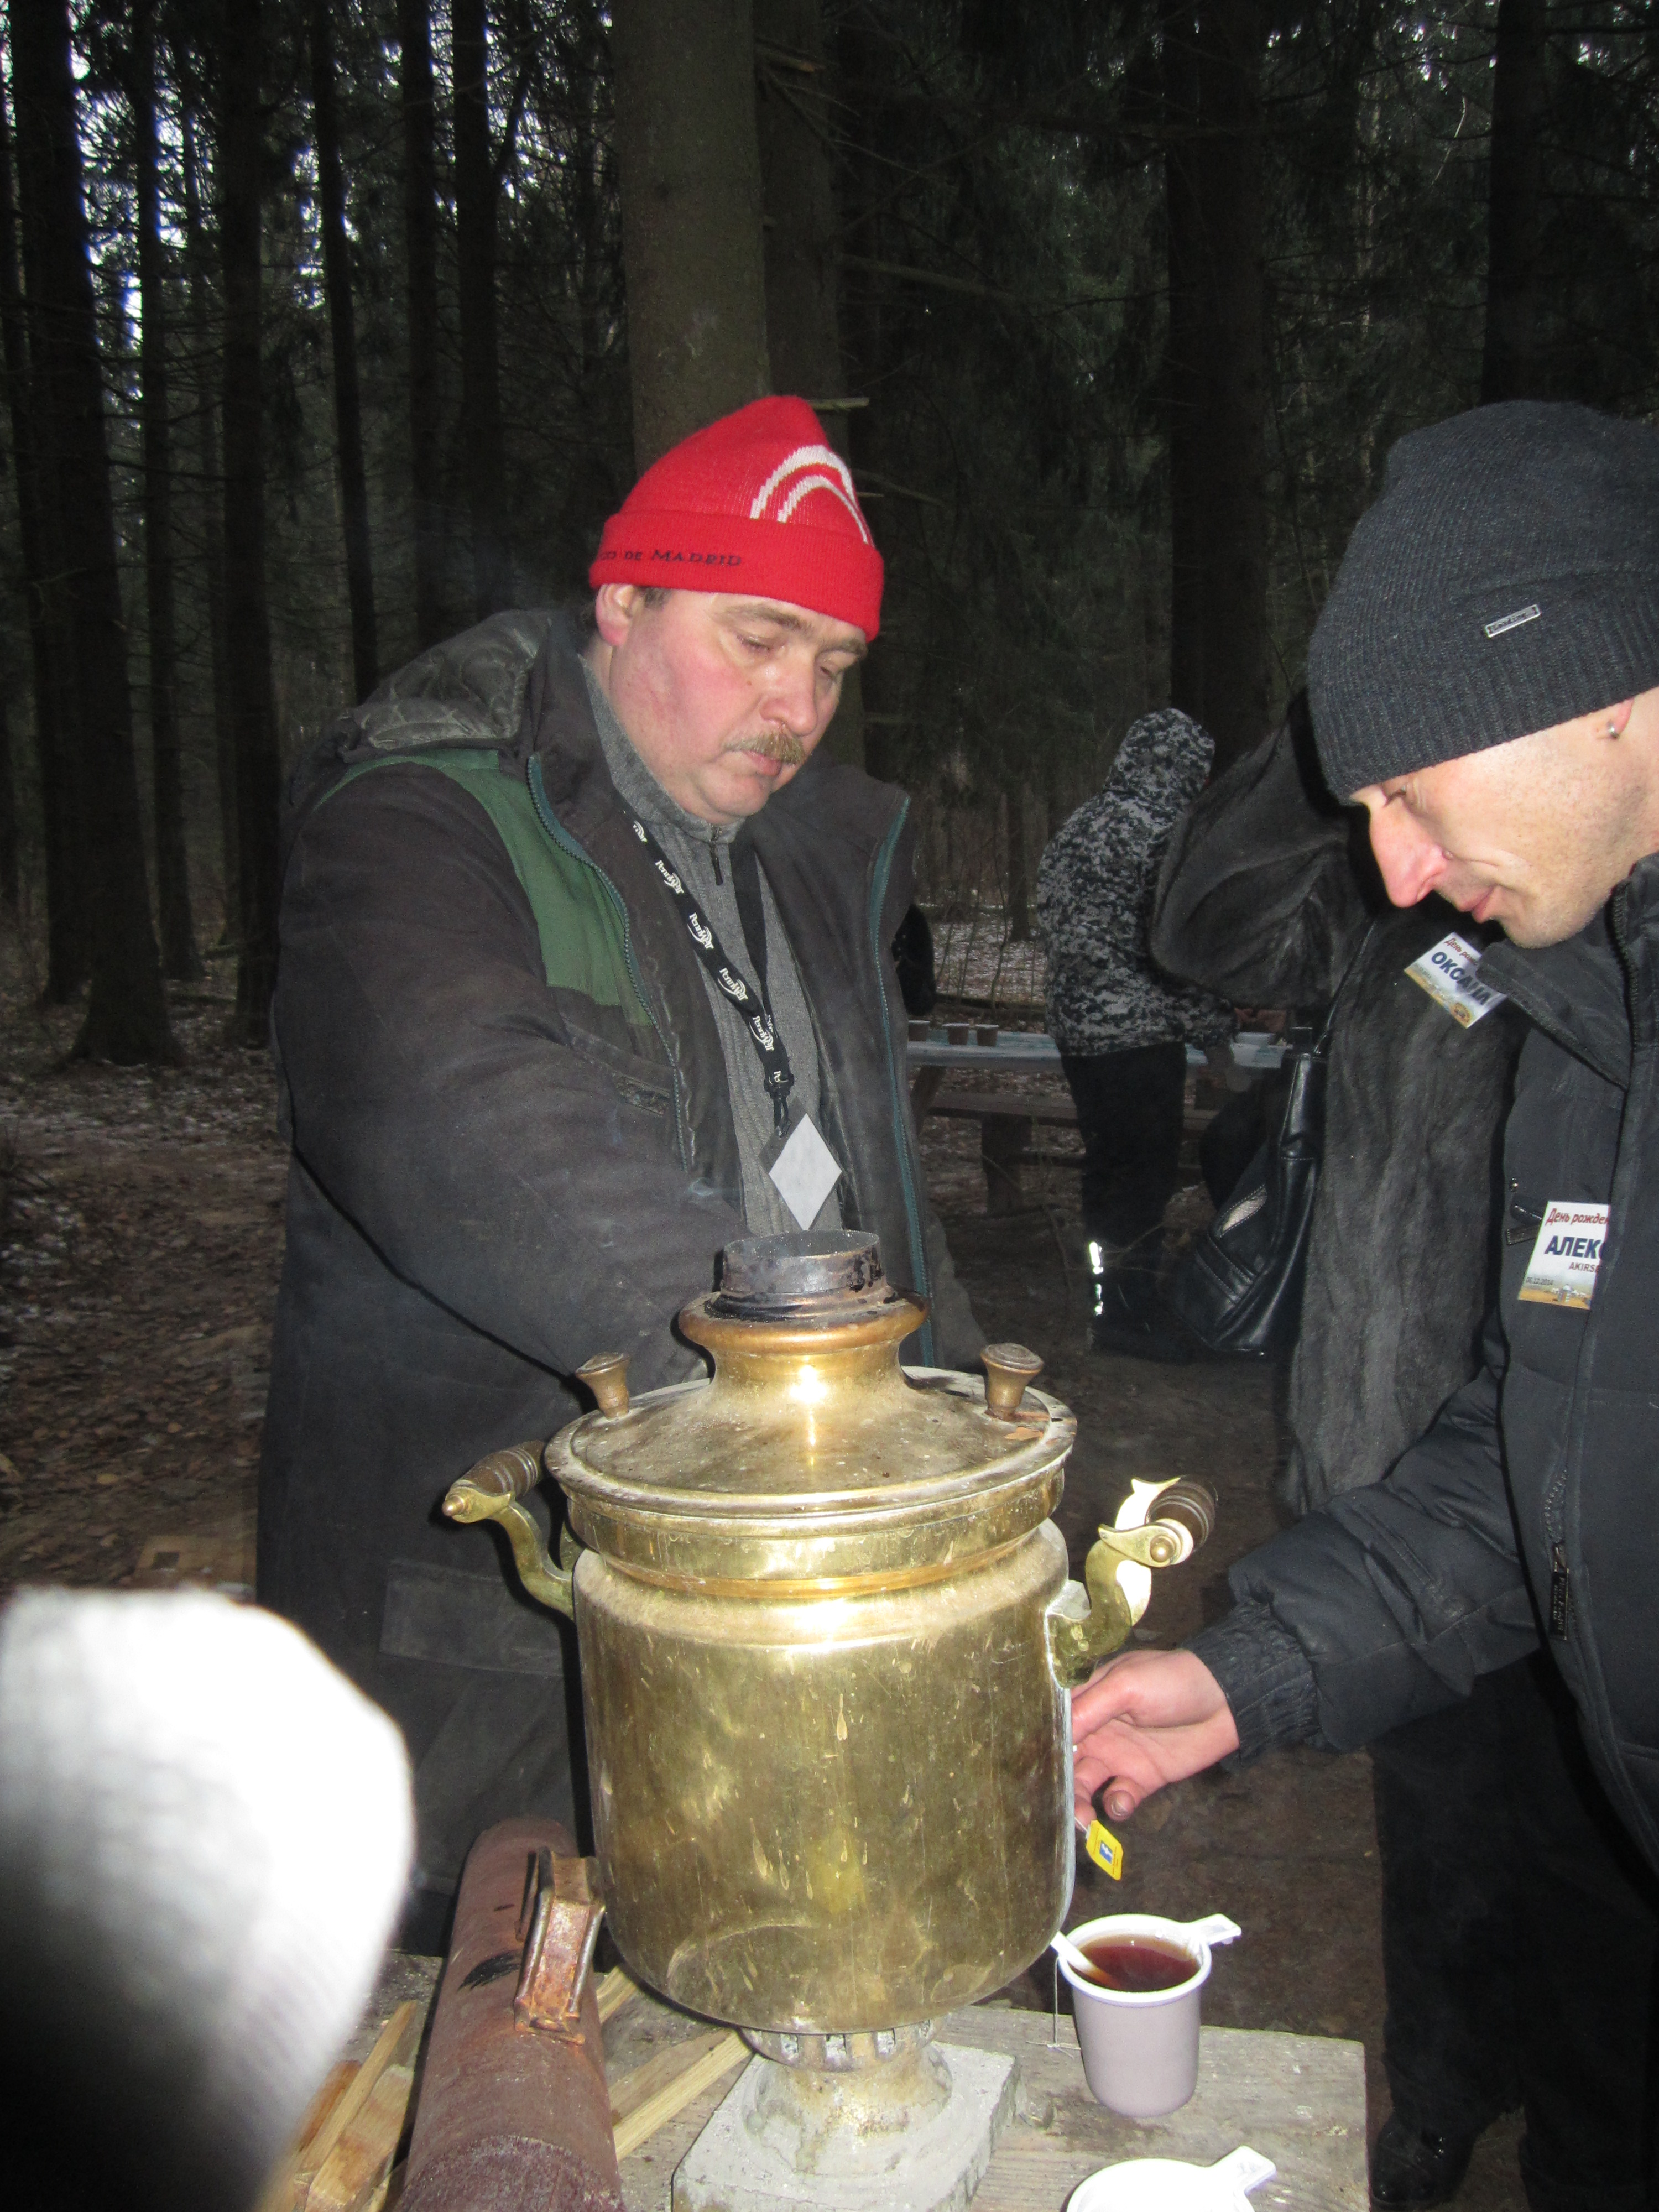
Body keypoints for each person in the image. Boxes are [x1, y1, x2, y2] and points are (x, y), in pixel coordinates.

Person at [258, 397, 979, 1949]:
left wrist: (966, 1465)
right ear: (625, 600)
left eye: (834, 663)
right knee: (520, 2039)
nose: (797, 705)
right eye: (758, 638)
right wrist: (816, 1416)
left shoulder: (809, 858)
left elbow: (880, 1213)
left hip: (777, 1582)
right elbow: (477, 1120)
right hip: (506, 1629)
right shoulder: (422, 818)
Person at [1072, 400, 1659, 2212]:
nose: (1396, 869)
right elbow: (1547, 1444)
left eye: (1411, 787)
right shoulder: (1586, 1002)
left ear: (1599, 686)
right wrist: (1247, 1674)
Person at [1034, 711, 1233, 1360]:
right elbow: (1173, 951)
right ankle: (1132, 1314)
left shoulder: (1079, 825)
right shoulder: (1161, 837)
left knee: (1107, 1171)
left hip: (1079, 1036)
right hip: (1138, 1037)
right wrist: (1217, 1027)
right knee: (1144, 1180)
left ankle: (1107, 1301)